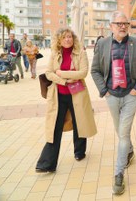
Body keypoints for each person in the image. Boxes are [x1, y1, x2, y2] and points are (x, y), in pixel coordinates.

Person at [91, 11, 136, 195]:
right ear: (111, 26)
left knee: (123, 134)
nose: (123, 26)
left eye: (125, 23)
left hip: (130, 95)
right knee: (120, 130)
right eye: (119, 23)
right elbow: (95, 70)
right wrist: (105, 91)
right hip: (112, 95)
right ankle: (129, 151)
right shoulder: (102, 44)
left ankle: (118, 175)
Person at [36, 28, 97, 173]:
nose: (67, 39)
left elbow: (83, 72)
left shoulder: (80, 52)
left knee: (79, 122)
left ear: (73, 38)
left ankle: (79, 152)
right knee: (55, 128)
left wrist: (62, 73)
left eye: (69, 37)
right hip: (59, 95)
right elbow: (49, 73)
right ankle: (47, 163)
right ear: (59, 40)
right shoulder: (55, 54)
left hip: (77, 94)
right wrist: (63, 81)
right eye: (64, 38)